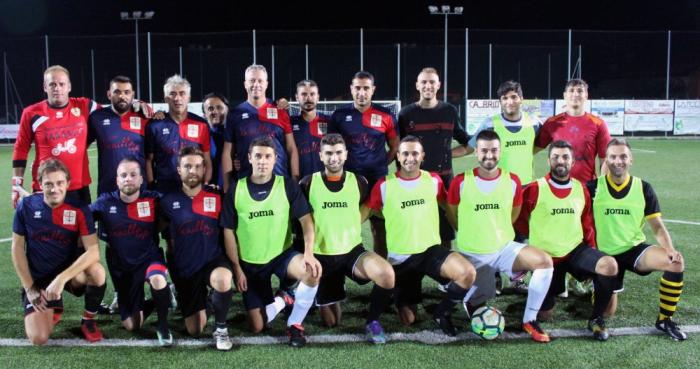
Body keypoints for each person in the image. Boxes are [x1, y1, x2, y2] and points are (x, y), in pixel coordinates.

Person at [446, 130, 554, 343]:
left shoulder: (512, 180)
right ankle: (470, 295)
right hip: (473, 254)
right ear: (476, 152)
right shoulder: (460, 181)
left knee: (544, 262)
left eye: (494, 150)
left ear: (500, 151)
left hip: (503, 249)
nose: (489, 155)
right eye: (484, 150)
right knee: (479, 302)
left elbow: (513, 213)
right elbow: (452, 213)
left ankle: (529, 319)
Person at [365, 135, 476, 336]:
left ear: (422, 156)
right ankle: (399, 300)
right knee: (408, 319)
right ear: (398, 156)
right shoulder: (384, 185)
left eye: (415, 153)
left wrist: (462, 226)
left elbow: (447, 206)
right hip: (401, 259)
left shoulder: (433, 180)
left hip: (430, 251)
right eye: (405, 153)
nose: (410, 158)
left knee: (467, 273)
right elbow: (369, 210)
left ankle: (442, 313)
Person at [221, 136, 321, 348]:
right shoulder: (236, 190)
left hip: (281, 256)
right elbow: (228, 232)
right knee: (257, 326)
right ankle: (284, 298)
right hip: (250, 264)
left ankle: (295, 324)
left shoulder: (286, 186)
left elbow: (306, 221)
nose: (262, 161)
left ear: (275, 159)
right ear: (249, 158)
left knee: (312, 271)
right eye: (258, 156)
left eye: (267, 156)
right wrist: (237, 268)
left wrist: (309, 253)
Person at [515, 140, 618, 341]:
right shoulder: (535, 189)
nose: (560, 161)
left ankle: (596, 319)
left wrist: (593, 260)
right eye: (555, 157)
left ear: (572, 162)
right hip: (546, 259)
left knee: (608, 265)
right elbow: (519, 220)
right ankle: (537, 284)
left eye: (565, 157)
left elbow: (587, 224)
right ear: (548, 161)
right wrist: (533, 251)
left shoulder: (581, 189)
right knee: (545, 315)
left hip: (575, 251)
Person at [299, 133, 395, 344]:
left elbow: (366, 206)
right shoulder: (307, 183)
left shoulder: (359, 182)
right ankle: (321, 292)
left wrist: (351, 223)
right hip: (321, 257)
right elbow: (300, 222)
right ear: (321, 156)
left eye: (338, 153)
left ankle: (372, 322)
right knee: (332, 322)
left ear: (346, 155)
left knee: (387, 274)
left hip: (352, 252)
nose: (334, 158)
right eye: (329, 154)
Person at [589, 138, 687, 340]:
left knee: (675, 263)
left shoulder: (643, 188)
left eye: (623, 156)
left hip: (633, 249)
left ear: (631, 159)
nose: (619, 161)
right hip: (605, 256)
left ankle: (664, 319)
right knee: (607, 312)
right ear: (605, 160)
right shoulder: (592, 188)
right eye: (613, 156)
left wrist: (669, 250)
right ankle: (597, 291)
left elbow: (657, 226)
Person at [11, 158, 107, 344]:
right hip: (38, 280)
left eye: (59, 183)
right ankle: (52, 307)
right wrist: (30, 287)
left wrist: (61, 280)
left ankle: (88, 320)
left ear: (68, 183)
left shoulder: (78, 209)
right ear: (40, 184)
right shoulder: (27, 206)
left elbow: (94, 252)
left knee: (97, 271)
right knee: (39, 338)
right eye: (48, 184)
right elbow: (16, 249)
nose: (54, 189)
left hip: (68, 277)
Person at [90, 157, 173, 346]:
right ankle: (162, 298)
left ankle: (163, 327)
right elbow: (81, 216)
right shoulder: (105, 203)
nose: (128, 179)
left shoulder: (154, 200)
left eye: (133, 175)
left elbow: (178, 206)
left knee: (158, 279)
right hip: (123, 268)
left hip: (149, 259)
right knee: (132, 325)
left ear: (141, 179)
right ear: (117, 180)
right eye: (124, 175)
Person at [159, 147, 235, 351]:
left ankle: (221, 329)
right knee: (195, 329)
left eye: (197, 166)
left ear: (204, 170)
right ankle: (209, 300)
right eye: (187, 166)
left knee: (222, 279)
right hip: (186, 269)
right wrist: (174, 272)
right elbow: (167, 241)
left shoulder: (217, 195)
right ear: (178, 170)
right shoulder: (167, 201)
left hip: (213, 261)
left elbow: (228, 231)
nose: (192, 171)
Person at [329, 71, 400, 258]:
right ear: (351, 89)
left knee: (379, 227)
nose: (362, 92)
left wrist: (381, 163)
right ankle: (341, 269)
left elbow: (395, 146)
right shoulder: (339, 116)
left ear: (373, 90)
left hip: (377, 180)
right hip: (349, 181)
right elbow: (331, 147)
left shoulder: (385, 115)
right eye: (358, 88)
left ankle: (381, 268)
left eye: (366, 88)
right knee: (345, 225)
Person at [398, 67, 469, 248]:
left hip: (444, 182)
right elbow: (398, 148)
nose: (428, 85)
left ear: (438, 85)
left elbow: (469, 144)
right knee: (414, 231)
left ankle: (445, 274)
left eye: (432, 82)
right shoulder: (406, 114)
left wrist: (448, 153)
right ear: (417, 85)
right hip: (414, 183)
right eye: (424, 82)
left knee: (445, 234)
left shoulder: (449, 111)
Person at [13, 66, 98, 207]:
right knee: (46, 229)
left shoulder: (85, 106)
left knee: (83, 229)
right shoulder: (31, 113)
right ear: (45, 87)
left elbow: (115, 110)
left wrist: (138, 104)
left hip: (78, 186)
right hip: (46, 187)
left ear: (69, 86)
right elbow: (20, 149)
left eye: (61, 84)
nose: (57, 88)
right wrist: (16, 183)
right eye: (52, 84)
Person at [221, 64, 299, 191]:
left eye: (260, 81)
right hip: (246, 183)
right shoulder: (235, 114)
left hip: (278, 182)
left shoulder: (280, 110)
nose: (256, 84)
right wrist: (227, 187)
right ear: (245, 84)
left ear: (266, 84)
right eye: (252, 80)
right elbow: (227, 153)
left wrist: (295, 180)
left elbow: (291, 148)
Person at [457, 80, 543, 185]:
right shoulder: (490, 124)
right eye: (505, 98)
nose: (509, 102)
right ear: (500, 102)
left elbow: (540, 145)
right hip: (500, 187)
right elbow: (469, 147)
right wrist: (446, 154)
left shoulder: (534, 123)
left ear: (521, 99)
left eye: (514, 97)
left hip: (527, 185)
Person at [145, 75, 212, 193]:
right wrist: (152, 187)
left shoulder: (201, 124)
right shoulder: (154, 125)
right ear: (166, 98)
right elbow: (149, 160)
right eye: (172, 94)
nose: (177, 98)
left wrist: (205, 185)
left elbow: (206, 160)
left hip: (193, 188)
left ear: (189, 97)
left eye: (182, 93)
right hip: (163, 190)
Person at [535, 79, 611, 183]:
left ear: (586, 95)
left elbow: (605, 161)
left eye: (580, 91)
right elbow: (532, 150)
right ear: (565, 95)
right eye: (571, 90)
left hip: (586, 188)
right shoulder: (552, 123)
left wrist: (604, 187)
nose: (575, 94)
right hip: (557, 186)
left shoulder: (598, 124)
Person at [88, 75, 153, 196]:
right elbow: (81, 145)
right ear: (109, 94)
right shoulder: (96, 117)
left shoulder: (144, 117)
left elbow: (152, 156)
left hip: (139, 189)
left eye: (126, 92)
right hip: (108, 190)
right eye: (117, 92)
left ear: (132, 95)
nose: (122, 96)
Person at [292, 80, 331, 178]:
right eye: (304, 94)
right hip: (300, 182)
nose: (308, 98)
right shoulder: (290, 123)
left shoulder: (330, 122)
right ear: (297, 97)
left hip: (325, 180)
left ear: (318, 97)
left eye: (312, 94)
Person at [202, 92, 230, 188]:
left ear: (227, 110)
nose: (215, 111)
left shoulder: (236, 135)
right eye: (210, 108)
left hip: (232, 189)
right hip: (209, 189)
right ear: (204, 114)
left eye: (219, 107)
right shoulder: (201, 136)